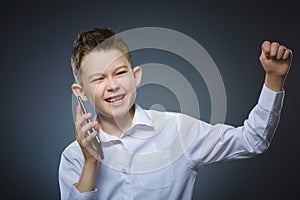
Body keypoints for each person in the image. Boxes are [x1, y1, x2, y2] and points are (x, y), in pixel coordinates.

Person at [58, 27, 293, 200]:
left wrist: (274, 79)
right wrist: (90, 164)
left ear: (136, 76)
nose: (112, 85)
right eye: (99, 78)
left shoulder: (177, 131)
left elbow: (253, 141)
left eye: (119, 73)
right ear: (81, 92)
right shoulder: (73, 157)